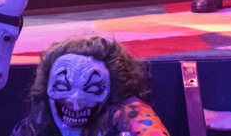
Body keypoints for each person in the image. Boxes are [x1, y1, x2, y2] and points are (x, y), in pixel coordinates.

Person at [10, 35, 170, 136]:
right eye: (62, 87)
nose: (75, 101)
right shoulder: (38, 121)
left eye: (93, 89)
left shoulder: (128, 112)